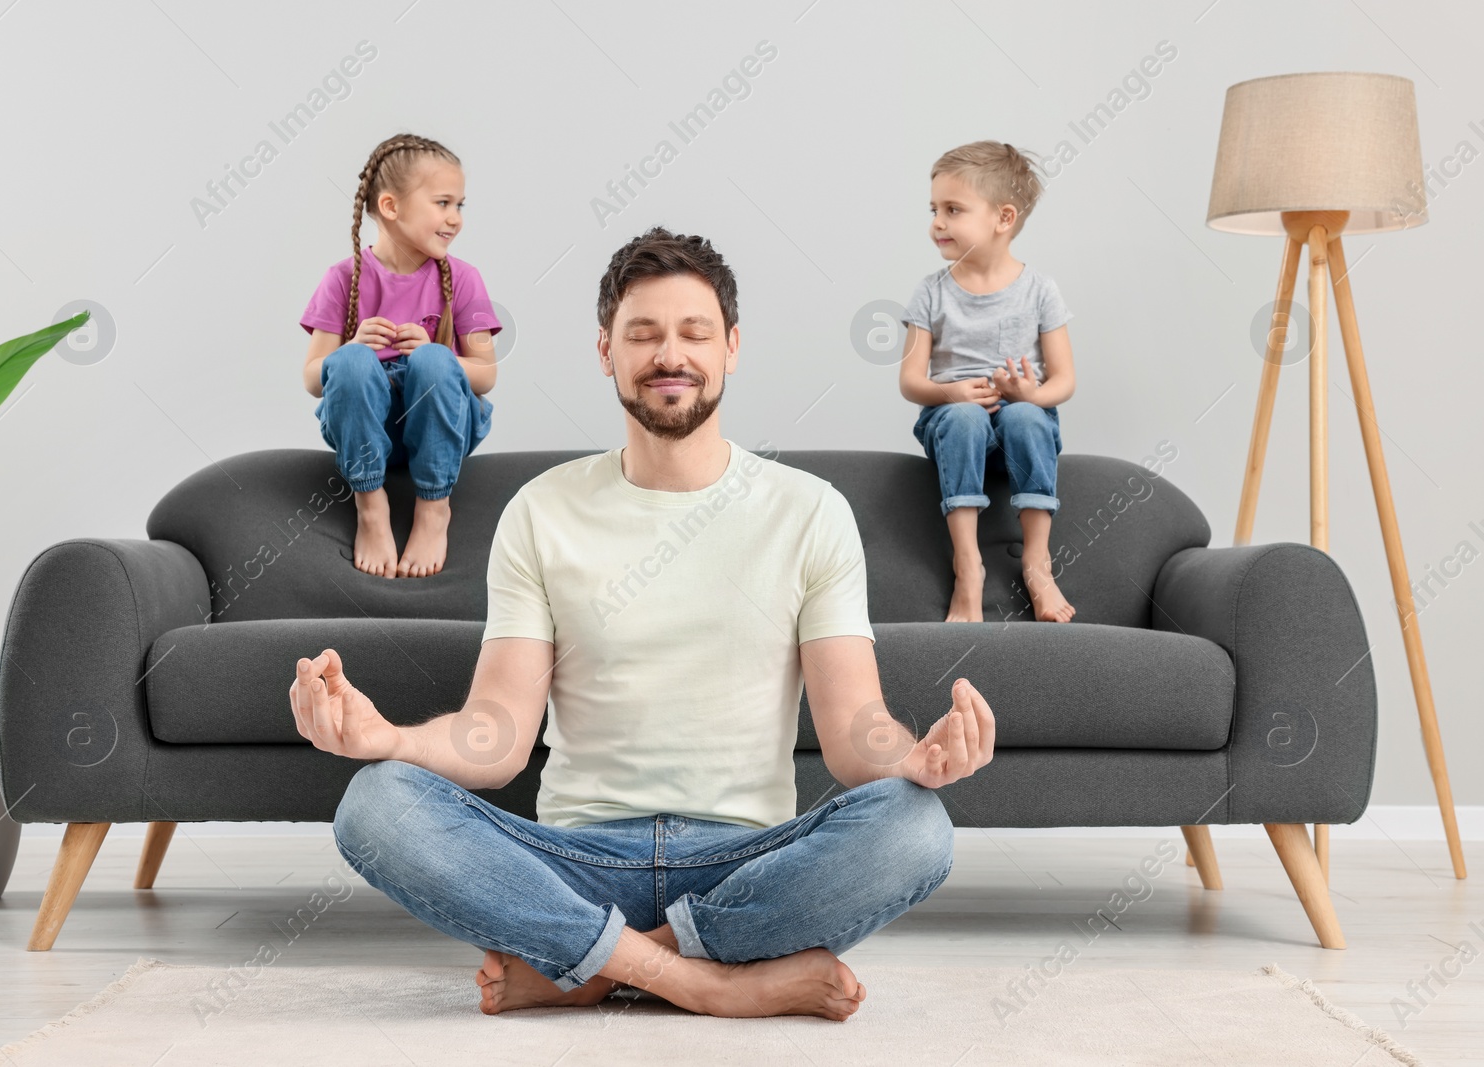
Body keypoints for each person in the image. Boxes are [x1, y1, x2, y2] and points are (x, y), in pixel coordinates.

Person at [291, 227, 998, 1021]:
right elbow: (496, 734)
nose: (672, 354)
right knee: (376, 805)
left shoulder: (811, 512)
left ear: (731, 346)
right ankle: (707, 980)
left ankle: (593, 970)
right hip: (574, 858)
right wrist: (389, 739)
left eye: (695, 333)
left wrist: (915, 756)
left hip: (747, 860)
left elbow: (852, 728)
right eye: (644, 334)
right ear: (606, 351)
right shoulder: (543, 510)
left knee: (914, 825)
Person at [300, 133, 501, 579]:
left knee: (432, 362)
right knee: (349, 363)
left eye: (460, 206)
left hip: (442, 426)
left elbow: (485, 375)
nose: (455, 219)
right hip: (371, 432)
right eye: (443, 203)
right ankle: (371, 507)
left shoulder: (464, 279)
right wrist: (352, 349)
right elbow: (314, 378)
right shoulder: (342, 278)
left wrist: (435, 352)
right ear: (391, 207)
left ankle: (434, 510)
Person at [900, 140, 1079, 623]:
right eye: (934, 208)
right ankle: (968, 565)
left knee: (1027, 416)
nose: (937, 222)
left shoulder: (1040, 290)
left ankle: (1038, 564)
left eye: (953, 209)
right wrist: (950, 391)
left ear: (1003, 218)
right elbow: (911, 381)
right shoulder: (930, 293)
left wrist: (1032, 394)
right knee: (962, 417)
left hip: (1020, 421)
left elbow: (1064, 379)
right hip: (955, 424)